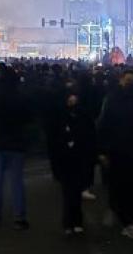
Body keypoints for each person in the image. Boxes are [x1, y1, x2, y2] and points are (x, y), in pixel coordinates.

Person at [0, 66, 32, 230]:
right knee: (17, 181)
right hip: (16, 143)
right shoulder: (21, 97)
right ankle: (19, 217)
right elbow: (29, 119)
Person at [98, 70, 133, 239]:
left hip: (125, 150)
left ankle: (126, 219)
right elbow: (104, 125)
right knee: (125, 186)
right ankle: (125, 218)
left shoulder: (114, 99)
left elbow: (103, 124)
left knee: (126, 186)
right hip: (123, 150)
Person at [49, 92, 98, 236]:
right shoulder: (81, 116)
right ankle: (74, 222)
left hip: (71, 159)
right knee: (72, 192)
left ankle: (70, 222)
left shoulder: (62, 117)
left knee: (71, 192)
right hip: (73, 159)